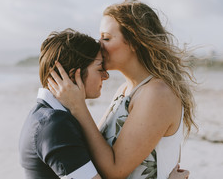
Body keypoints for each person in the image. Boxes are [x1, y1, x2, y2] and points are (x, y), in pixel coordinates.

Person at [48, 0, 197, 178]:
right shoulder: (125, 91)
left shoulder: (158, 93)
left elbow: (114, 171)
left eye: (106, 38)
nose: (99, 45)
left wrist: (78, 107)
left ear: (134, 42)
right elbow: (95, 151)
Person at [19, 28, 190, 179]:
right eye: (99, 68)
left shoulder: (45, 115)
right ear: (73, 75)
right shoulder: (54, 125)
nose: (105, 76)